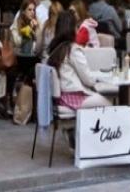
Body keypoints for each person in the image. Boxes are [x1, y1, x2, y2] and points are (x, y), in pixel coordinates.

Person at [47, 10, 113, 148]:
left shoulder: (54, 49)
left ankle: (77, 134)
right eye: (77, 26)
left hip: (60, 97)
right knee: (108, 105)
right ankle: (102, 145)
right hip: (74, 96)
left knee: (98, 101)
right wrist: (98, 78)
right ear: (72, 28)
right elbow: (88, 80)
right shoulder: (73, 50)